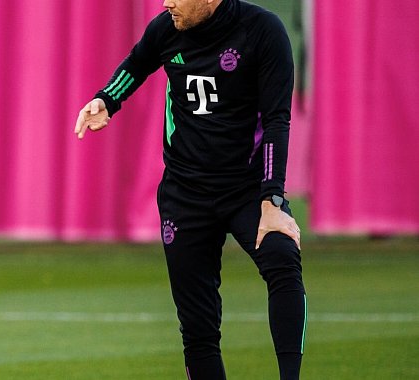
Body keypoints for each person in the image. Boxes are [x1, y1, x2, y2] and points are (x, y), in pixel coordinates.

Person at [73, 1, 305, 379]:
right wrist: (106, 100)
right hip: (185, 193)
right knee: (198, 329)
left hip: (246, 188)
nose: (166, 2)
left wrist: (272, 199)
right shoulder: (166, 28)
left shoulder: (264, 31)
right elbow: (136, 64)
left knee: (281, 256)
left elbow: (278, 120)